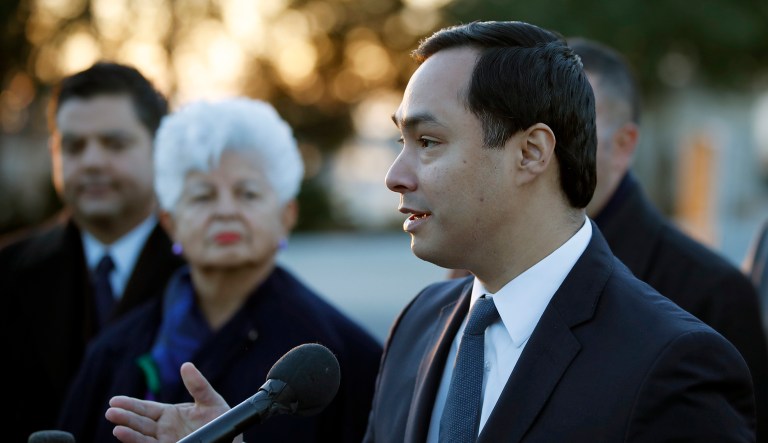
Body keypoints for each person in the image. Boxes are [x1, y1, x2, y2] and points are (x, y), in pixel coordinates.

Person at [107, 21, 757, 442]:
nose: (395, 175)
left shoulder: (672, 364)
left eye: (428, 142)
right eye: (400, 141)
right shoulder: (420, 322)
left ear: (531, 153)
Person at [58, 97, 383, 442]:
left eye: (248, 193)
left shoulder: (338, 358)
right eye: (203, 196)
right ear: (170, 223)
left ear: (286, 215)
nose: (225, 211)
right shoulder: (114, 350)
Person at [567, 37, 768, 440]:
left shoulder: (712, 292)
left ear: (623, 145)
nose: (541, 146)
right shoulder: (485, 266)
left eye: (569, 126)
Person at [0, 62, 185, 442]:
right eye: (74, 146)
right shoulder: (8, 270)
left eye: (114, 144)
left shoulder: (204, 271)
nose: (92, 161)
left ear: (160, 149)